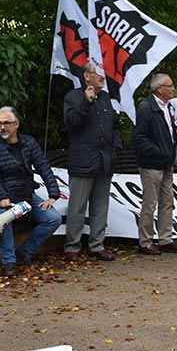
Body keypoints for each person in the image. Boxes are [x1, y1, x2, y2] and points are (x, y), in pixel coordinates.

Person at [0, 106, 62, 275]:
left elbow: (43, 167)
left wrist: (53, 194)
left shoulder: (29, 142)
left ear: (16, 124)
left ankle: (24, 252)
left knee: (53, 219)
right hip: (0, 196)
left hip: (25, 194)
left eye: (7, 123)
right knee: (5, 220)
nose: (2, 127)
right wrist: (1, 197)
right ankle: (8, 262)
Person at [62, 62, 121, 262]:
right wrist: (86, 102)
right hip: (83, 161)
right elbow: (72, 124)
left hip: (104, 161)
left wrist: (115, 149)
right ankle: (72, 247)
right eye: (99, 74)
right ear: (87, 76)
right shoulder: (73, 97)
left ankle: (97, 245)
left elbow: (112, 126)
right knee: (77, 207)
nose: (103, 78)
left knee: (100, 206)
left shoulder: (105, 97)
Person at [133, 73, 177, 255]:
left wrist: (176, 134)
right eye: (170, 86)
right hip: (152, 164)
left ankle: (165, 239)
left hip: (167, 163)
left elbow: (166, 132)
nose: (173, 89)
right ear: (160, 89)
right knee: (150, 203)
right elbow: (139, 138)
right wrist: (160, 151)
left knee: (167, 201)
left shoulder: (169, 107)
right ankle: (145, 242)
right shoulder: (146, 107)